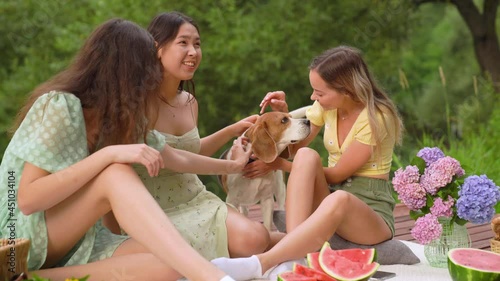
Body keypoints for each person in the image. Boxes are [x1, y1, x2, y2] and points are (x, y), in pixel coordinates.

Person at [0, 18, 251, 281]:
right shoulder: (60, 106)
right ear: (124, 71)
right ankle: (214, 279)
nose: (153, 79)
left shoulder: (121, 119)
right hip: (19, 241)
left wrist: (231, 166)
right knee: (114, 172)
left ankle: (34, 278)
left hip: (80, 241)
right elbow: (28, 200)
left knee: (168, 263)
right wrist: (107, 155)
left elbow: (175, 158)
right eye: (146, 70)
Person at [211, 45, 404, 280]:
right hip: (331, 198)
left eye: (319, 93)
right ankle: (294, 255)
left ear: (347, 89)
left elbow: (337, 174)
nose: (314, 97)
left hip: (370, 213)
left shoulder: (377, 117)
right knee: (307, 156)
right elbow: (294, 151)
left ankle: (263, 263)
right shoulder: (327, 108)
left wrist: (278, 166)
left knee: (339, 198)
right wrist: (285, 116)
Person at [127, 11, 279, 259]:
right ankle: (299, 239)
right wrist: (232, 165)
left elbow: (191, 153)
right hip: (153, 208)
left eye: (197, 44)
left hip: (195, 198)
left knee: (256, 238)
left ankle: (303, 239)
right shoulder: (136, 103)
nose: (193, 52)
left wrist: (233, 129)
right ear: (157, 48)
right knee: (253, 241)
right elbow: (174, 158)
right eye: (183, 43)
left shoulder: (189, 102)